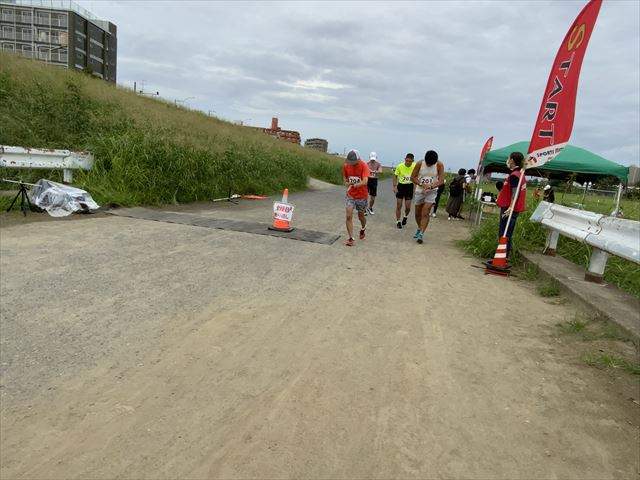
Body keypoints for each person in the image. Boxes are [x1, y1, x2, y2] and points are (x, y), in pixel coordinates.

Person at [496, 151, 527, 258]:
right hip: (510, 207)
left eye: (509, 158)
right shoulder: (519, 174)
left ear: (512, 160)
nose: (508, 161)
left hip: (508, 208)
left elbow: (515, 193)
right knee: (507, 233)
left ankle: (502, 257)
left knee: (504, 233)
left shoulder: (515, 175)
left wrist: (510, 207)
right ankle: (503, 256)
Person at [411, 150, 445, 244]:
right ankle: (419, 227)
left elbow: (441, 180)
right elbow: (413, 177)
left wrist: (430, 187)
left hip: (432, 191)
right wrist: (422, 184)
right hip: (420, 190)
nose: (429, 165)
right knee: (417, 213)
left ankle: (421, 234)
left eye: (431, 164)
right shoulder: (419, 163)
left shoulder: (439, 165)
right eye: (428, 163)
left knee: (425, 212)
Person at [342, 149, 370, 247]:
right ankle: (351, 238)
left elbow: (365, 181)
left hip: (362, 196)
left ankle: (363, 228)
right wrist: (347, 183)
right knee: (348, 216)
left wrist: (356, 185)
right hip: (350, 195)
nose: (351, 164)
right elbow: (345, 179)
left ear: (358, 159)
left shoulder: (364, 166)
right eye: (350, 162)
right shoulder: (346, 165)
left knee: (361, 216)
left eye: (353, 162)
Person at [393, 153, 415, 229]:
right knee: (399, 205)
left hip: (409, 186)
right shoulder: (400, 166)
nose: (408, 162)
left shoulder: (415, 166)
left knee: (408, 207)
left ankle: (405, 216)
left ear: (413, 161)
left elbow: (417, 176)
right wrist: (394, 186)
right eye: (407, 160)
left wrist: (416, 187)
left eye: (410, 161)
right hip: (401, 186)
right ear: (405, 159)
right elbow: (395, 176)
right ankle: (398, 221)